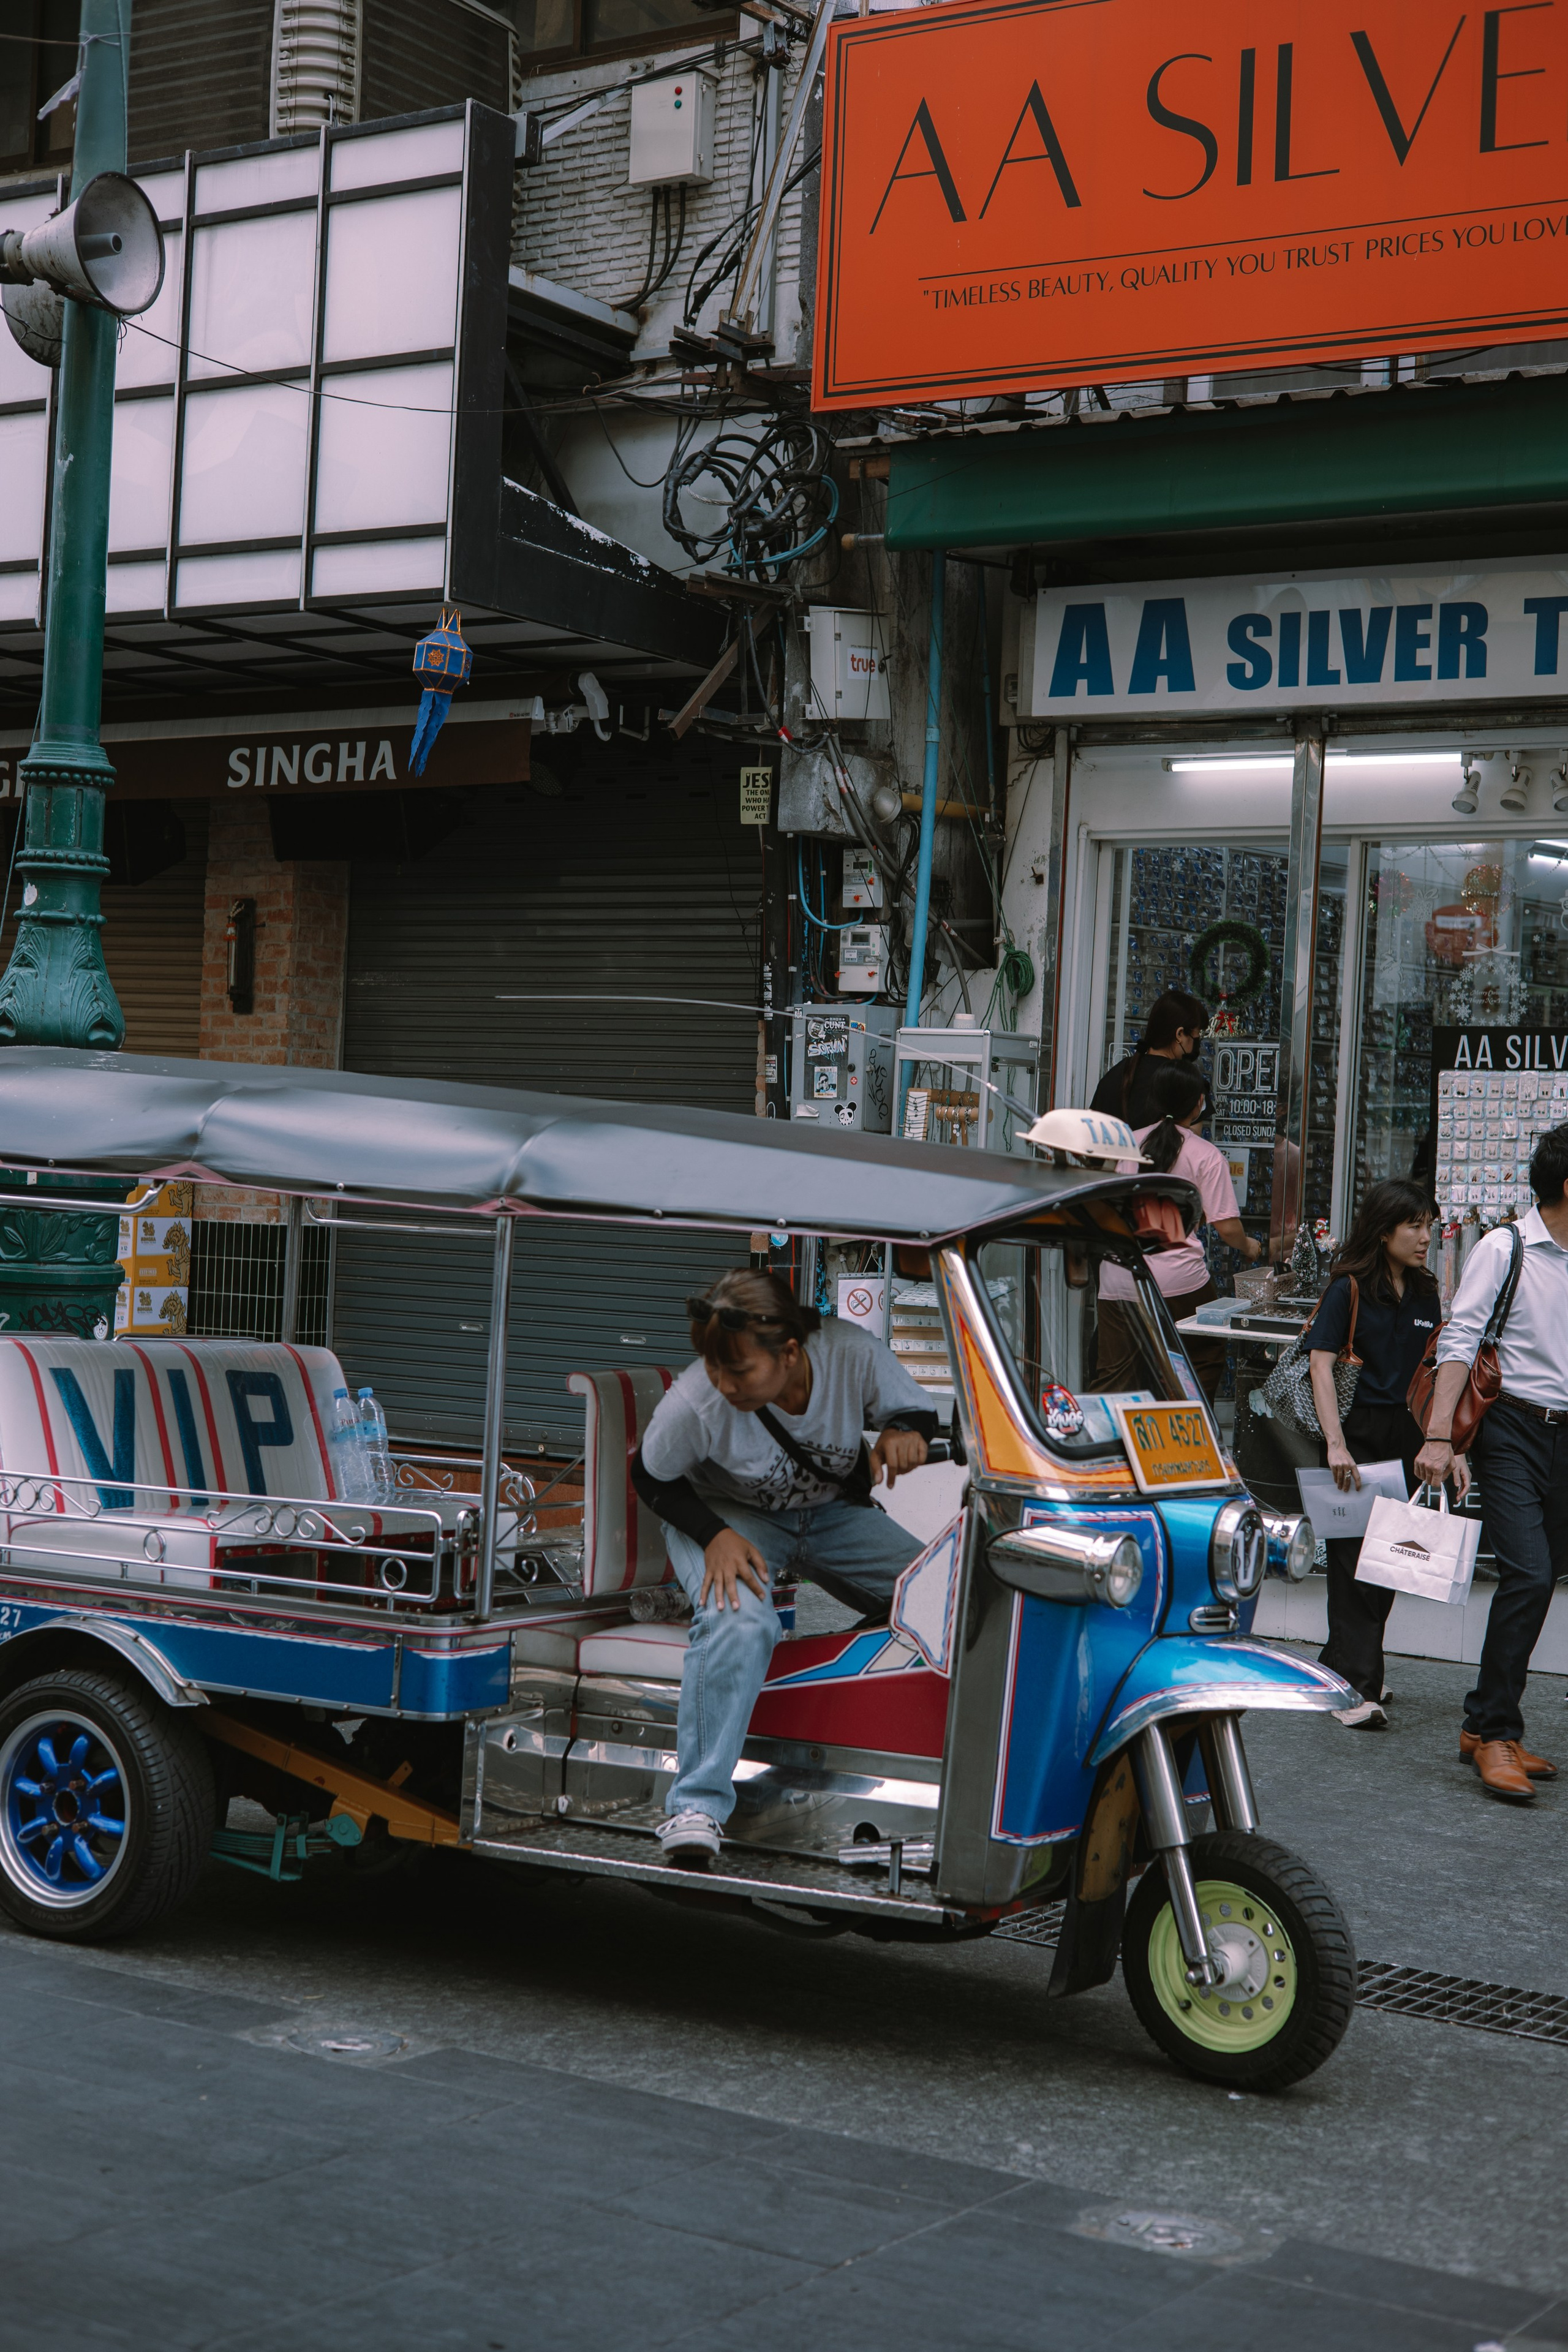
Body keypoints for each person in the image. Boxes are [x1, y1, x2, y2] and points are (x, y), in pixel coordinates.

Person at [630, 1269, 937, 1866]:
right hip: (727, 1517)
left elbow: (914, 1413)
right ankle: (694, 1806)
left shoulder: (852, 1354)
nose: (722, 1385)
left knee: (947, 1595)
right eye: (714, 1368)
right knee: (740, 1618)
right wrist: (713, 1535)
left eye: (738, 1370)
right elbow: (650, 1475)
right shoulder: (696, 1399)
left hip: (830, 1517)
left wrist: (903, 1434)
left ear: (790, 1353)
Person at [1415, 1126, 1568, 1802]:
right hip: (1509, 1426)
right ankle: (1498, 1732)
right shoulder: (1504, 1248)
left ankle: (1482, 1723)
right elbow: (1461, 1336)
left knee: (1542, 1576)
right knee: (1529, 1574)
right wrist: (1438, 1437)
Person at [1305, 1180, 1448, 1732]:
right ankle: (1358, 1690)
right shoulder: (1349, 1287)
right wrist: (1336, 1441)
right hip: (1355, 1437)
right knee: (1351, 1560)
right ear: (1384, 1230)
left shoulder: (1425, 1292)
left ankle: (1342, 1664)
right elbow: (1321, 1365)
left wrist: (1444, 1441)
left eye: (1429, 1226)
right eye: (1414, 1226)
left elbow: (1436, 1371)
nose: (1425, 1237)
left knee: (1390, 1558)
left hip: (1407, 1437)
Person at [1096, 1061, 1261, 1403]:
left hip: (1117, 1275)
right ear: (1200, 1103)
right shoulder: (1206, 1155)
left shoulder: (1127, 1142)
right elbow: (1228, 1229)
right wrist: (1251, 1247)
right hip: (1177, 1281)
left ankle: (1111, 1450)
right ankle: (1188, 1442)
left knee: (1115, 1375)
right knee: (1203, 1358)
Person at [1092, 988, 1210, 1131]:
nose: (1198, 1042)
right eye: (1197, 1035)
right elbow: (1191, 1147)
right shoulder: (1187, 1082)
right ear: (1180, 1034)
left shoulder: (1118, 1072)